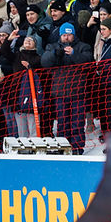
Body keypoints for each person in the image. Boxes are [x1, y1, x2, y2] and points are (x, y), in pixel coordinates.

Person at [41, 23, 93, 153]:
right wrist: (54, 54)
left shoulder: (83, 46)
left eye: (69, 35)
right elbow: (44, 62)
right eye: (64, 35)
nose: (66, 38)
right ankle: (62, 146)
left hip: (78, 92)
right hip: (59, 92)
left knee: (78, 122)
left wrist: (74, 54)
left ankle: (77, 147)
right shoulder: (52, 46)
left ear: (73, 35)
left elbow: (88, 62)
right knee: (62, 122)